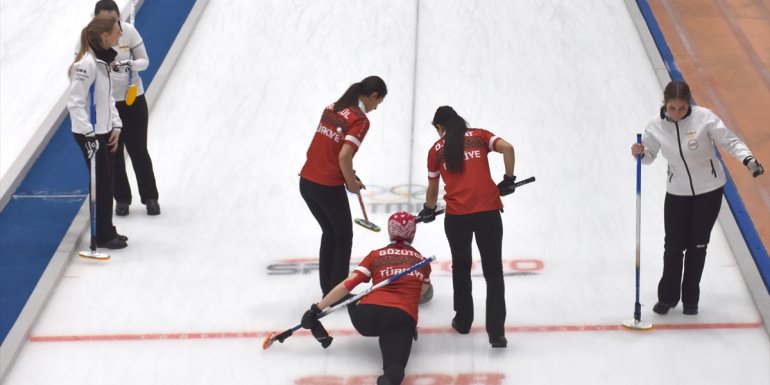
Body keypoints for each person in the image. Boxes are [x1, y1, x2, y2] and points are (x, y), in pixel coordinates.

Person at [631, 80, 764, 316]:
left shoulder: (705, 118)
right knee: (673, 247)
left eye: (681, 108)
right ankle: (668, 298)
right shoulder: (655, 126)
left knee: (697, 246)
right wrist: (641, 154)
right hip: (677, 192)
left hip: (709, 190)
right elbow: (649, 156)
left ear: (688, 104)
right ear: (665, 104)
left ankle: (691, 299)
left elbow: (729, 141)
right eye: (672, 109)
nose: (677, 114)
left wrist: (747, 159)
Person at [418, 106, 515, 348]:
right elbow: (508, 148)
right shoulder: (480, 136)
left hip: (458, 217)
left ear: (440, 127)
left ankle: (463, 321)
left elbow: (432, 190)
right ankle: (496, 334)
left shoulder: (436, 151)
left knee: (461, 268)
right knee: (493, 273)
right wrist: (509, 179)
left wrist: (429, 209)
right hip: (488, 213)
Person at [300, 212, 432, 385]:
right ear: (413, 234)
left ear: (390, 232)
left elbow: (346, 285)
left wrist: (316, 309)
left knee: (352, 297)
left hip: (367, 316)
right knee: (395, 370)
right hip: (402, 317)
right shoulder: (422, 262)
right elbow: (423, 292)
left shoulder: (376, 256)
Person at [299, 76, 387, 296]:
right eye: (378, 102)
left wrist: (350, 176)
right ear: (373, 95)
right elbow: (344, 155)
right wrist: (351, 183)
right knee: (344, 235)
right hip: (327, 186)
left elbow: (330, 150)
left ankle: (328, 290)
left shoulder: (333, 107)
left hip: (307, 182)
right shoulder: (360, 120)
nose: (375, 108)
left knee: (330, 233)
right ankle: (337, 294)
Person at [92, 0, 160, 216]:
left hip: (133, 98)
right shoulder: (90, 37)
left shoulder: (128, 31)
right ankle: (122, 198)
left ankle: (150, 197)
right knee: (114, 152)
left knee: (138, 149)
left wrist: (127, 64)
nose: (112, 24)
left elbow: (145, 61)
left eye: (115, 19)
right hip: (108, 102)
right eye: (106, 20)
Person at [67, 14, 127, 249]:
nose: (120, 34)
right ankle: (102, 235)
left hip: (103, 130)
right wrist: (89, 135)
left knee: (107, 180)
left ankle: (107, 229)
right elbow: (75, 103)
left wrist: (116, 124)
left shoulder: (103, 60)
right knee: (101, 183)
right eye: (116, 31)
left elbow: (107, 97)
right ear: (105, 36)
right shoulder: (86, 64)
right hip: (89, 133)